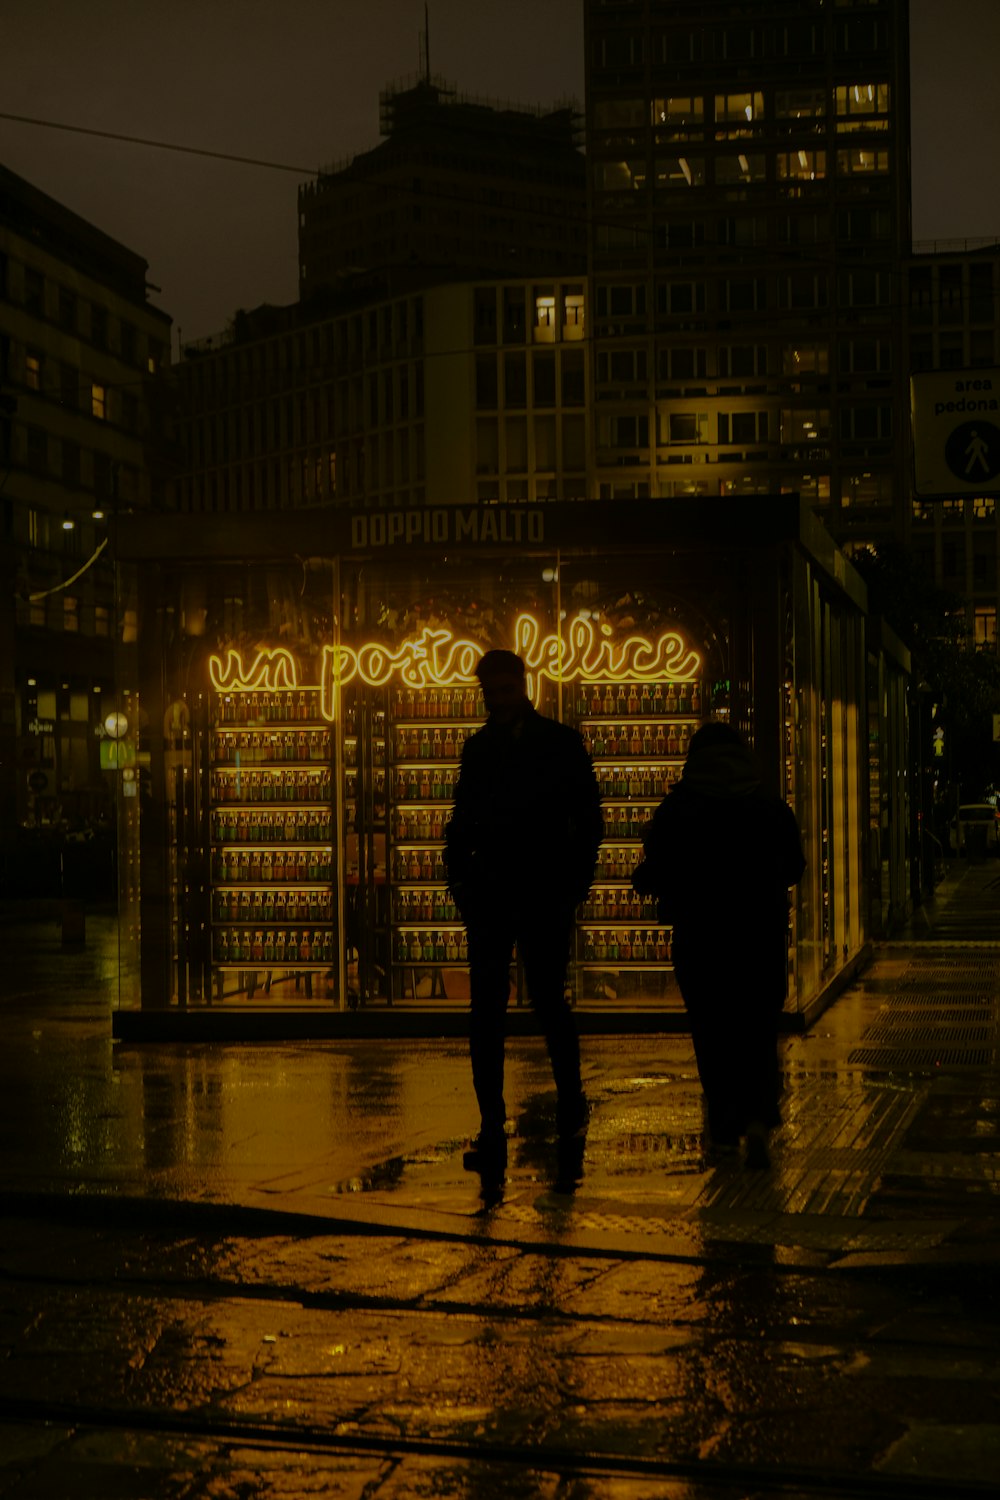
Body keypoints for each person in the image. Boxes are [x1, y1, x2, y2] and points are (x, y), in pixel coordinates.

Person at [445, 649, 603, 1181]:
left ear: (520, 687)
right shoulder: (540, 743)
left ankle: (543, 1108)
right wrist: (461, 878)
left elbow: (587, 818)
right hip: (510, 891)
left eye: (502, 691)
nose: (495, 701)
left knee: (530, 1002)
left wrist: (572, 883)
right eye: (490, 693)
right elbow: (462, 819)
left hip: (531, 890)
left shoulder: (536, 745)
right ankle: (505, 1117)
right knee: (500, 1008)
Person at [632, 720, 805, 1168]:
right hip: (759, 935)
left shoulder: (679, 806)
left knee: (712, 1032)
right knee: (757, 1029)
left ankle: (725, 1128)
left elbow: (653, 870)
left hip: (700, 935)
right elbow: (794, 867)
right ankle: (759, 1119)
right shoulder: (768, 805)